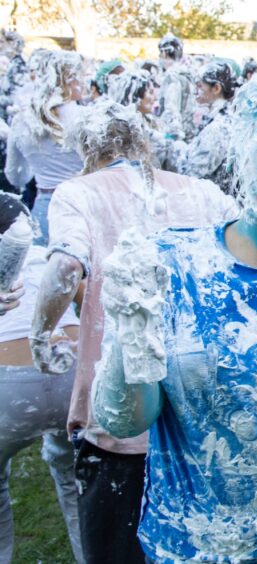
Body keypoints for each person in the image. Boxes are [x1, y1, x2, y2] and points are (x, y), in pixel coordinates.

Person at [91, 71, 257, 563]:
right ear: (242, 155)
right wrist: (130, 327)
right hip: (191, 545)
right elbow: (124, 419)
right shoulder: (172, 264)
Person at [30, 99, 238, 564]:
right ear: (144, 143)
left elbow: (65, 265)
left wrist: (41, 338)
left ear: (87, 148)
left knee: (118, 546)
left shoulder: (79, 192)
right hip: (201, 401)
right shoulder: (200, 191)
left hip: (122, 409)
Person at [0, 195, 83, 564]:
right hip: (74, 373)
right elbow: (95, 299)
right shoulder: (50, 257)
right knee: (76, 477)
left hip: (9, 388)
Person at [4, 50, 84, 245]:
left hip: (44, 210)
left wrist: (41, 164)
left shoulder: (22, 120)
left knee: (39, 269)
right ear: (70, 79)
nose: (85, 82)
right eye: (82, 76)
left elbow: (16, 176)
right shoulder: (87, 118)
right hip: (83, 206)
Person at [178, 59, 237, 194]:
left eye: (200, 86)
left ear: (216, 88)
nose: (195, 91)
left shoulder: (218, 128)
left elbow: (193, 174)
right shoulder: (224, 118)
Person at [157, 33, 195, 142]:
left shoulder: (172, 77)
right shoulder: (187, 73)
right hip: (188, 131)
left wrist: (171, 139)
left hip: (176, 135)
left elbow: (171, 109)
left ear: (164, 53)